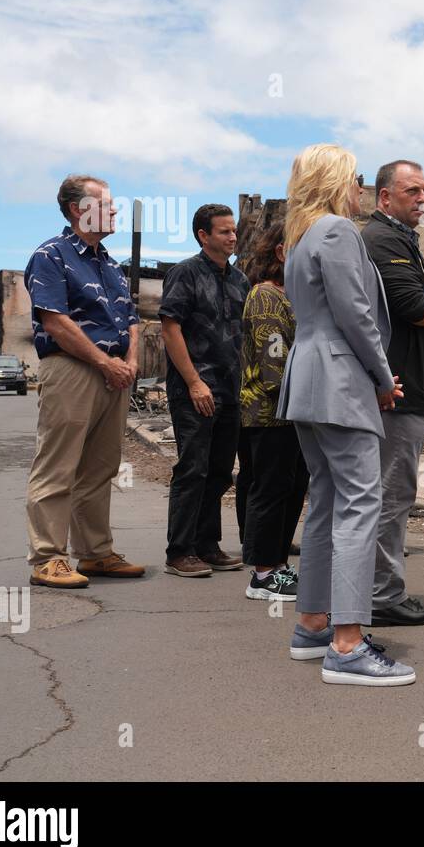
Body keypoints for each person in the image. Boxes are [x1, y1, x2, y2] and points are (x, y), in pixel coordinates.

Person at [278, 142, 415, 687]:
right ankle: (348, 643)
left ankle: (313, 624)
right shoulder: (336, 231)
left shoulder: (300, 238)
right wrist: (383, 378)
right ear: (334, 181)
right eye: (354, 178)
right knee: (361, 502)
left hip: (308, 381)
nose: (358, 187)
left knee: (326, 502)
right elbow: (356, 314)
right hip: (340, 381)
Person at [24, 174, 145, 588]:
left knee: (101, 466)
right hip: (73, 368)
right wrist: (104, 363)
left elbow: (132, 320)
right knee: (58, 464)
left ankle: (95, 553)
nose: (114, 211)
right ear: (78, 209)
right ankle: (47, 557)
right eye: (106, 204)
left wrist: (127, 362)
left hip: (114, 374)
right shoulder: (51, 255)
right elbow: (56, 321)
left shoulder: (109, 262)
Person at [360, 160, 424, 626]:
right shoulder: (382, 239)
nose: (423, 199)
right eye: (413, 192)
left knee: (389, 493)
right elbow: (407, 304)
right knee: (391, 494)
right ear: (385, 197)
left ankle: (377, 590)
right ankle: (382, 596)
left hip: (403, 391)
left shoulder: (400, 239)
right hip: (396, 393)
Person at [160, 204, 249, 577]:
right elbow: (170, 327)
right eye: (224, 232)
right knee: (192, 469)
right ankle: (179, 552)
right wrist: (194, 381)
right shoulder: (185, 273)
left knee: (218, 470)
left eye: (233, 231)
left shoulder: (240, 280)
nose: (232, 237)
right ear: (203, 235)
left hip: (230, 390)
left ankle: (207, 544)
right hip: (195, 388)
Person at [236, 220, 307, 601]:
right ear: (281, 252)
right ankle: (263, 573)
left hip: (291, 412)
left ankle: (277, 565)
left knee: (292, 486)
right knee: (270, 488)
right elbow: (272, 361)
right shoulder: (266, 296)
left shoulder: (291, 295)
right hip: (269, 412)